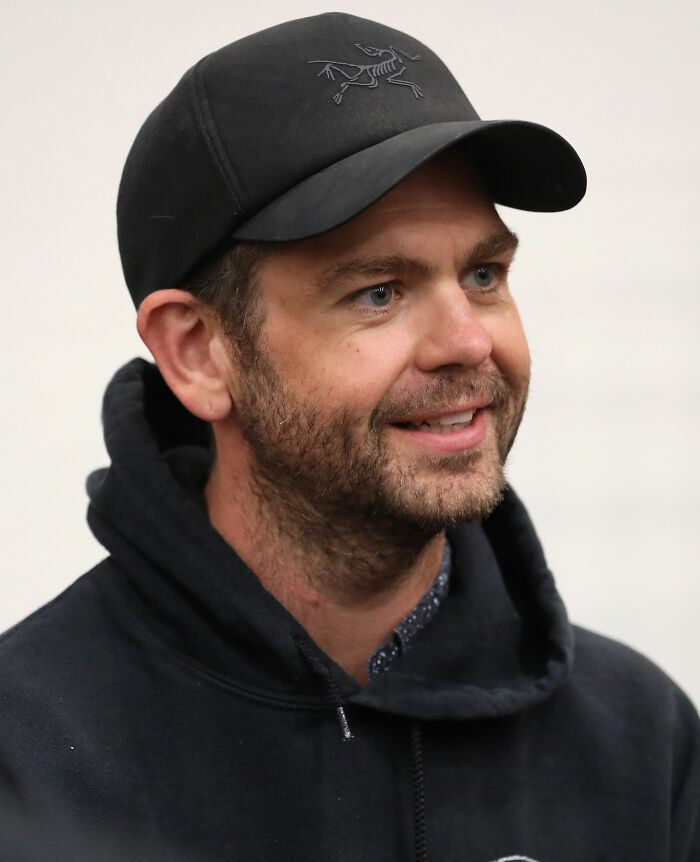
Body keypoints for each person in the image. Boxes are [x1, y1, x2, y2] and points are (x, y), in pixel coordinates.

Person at [0, 11, 698, 862]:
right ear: (199, 351)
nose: (466, 342)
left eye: (484, 275)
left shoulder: (642, 745)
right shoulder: (28, 762)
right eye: (379, 291)